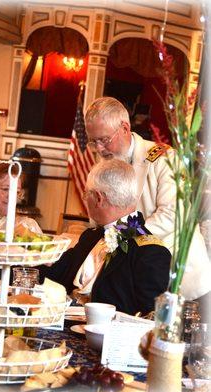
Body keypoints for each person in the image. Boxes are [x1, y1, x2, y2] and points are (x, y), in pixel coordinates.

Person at [84, 96, 211, 301]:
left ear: (125, 128)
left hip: (181, 277)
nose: (99, 149)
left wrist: (122, 234)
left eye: (104, 140)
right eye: (93, 141)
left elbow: (173, 216)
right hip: (139, 277)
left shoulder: (164, 158)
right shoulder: (103, 165)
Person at [38, 159, 171, 316]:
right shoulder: (90, 236)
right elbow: (53, 274)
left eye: (86, 193)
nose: (85, 198)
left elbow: (150, 319)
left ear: (98, 198)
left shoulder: (151, 252)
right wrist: (6, 265)